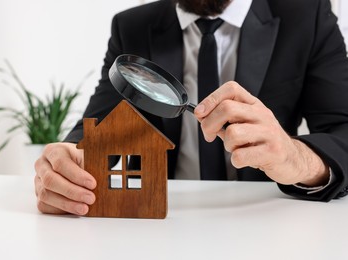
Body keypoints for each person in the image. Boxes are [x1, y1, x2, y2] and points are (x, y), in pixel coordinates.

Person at [34, 0, 348, 215]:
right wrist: (66, 159)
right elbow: (98, 123)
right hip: (169, 222)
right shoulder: (132, 26)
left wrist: (296, 158)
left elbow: (343, 128)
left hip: (268, 217)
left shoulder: (309, 16)